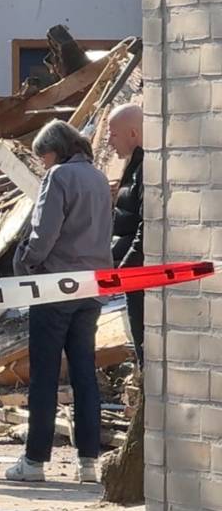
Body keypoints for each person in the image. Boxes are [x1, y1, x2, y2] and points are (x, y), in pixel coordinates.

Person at [4, 120, 112, 484]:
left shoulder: (59, 177)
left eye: (43, 157)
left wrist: (26, 263)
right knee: (84, 374)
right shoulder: (97, 177)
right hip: (91, 288)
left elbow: (44, 233)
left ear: (55, 150)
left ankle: (34, 461)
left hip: (54, 287)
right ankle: (88, 462)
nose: (43, 165)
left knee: (45, 376)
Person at [107, 103, 144, 366]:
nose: (108, 142)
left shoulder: (145, 168)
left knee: (145, 345)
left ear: (132, 133)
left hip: (140, 277)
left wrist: (128, 265)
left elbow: (146, 223)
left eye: (113, 134)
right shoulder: (133, 165)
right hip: (132, 276)